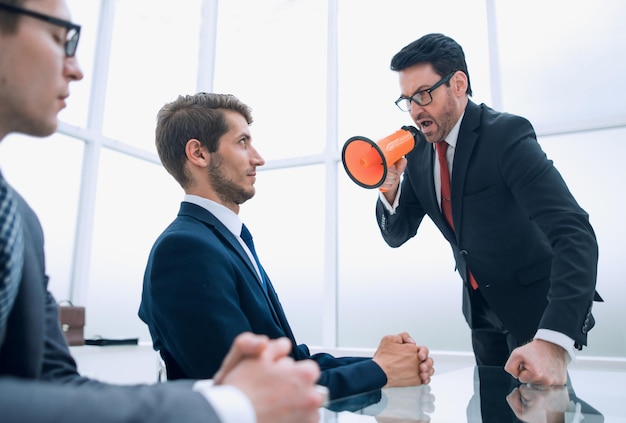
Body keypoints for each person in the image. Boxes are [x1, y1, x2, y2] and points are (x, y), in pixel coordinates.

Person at [0, 1, 326, 422]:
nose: (77, 68)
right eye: (59, 38)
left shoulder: (24, 224)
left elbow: (52, 382)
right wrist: (227, 403)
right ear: (198, 153)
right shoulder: (185, 248)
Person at [138, 92, 435, 401]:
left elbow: (288, 363)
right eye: (242, 142)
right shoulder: (184, 250)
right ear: (199, 153)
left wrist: (384, 363)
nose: (258, 158)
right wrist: (381, 371)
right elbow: (243, 388)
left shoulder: (222, 241)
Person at [374, 33, 601, 386]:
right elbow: (397, 234)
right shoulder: (418, 151)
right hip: (480, 310)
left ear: (459, 83)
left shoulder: (505, 136)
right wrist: (390, 190)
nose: (416, 109)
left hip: (536, 310)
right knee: (491, 409)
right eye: (407, 99)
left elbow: (574, 233)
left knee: (545, 411)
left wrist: (554, 340)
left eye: (423, 94)